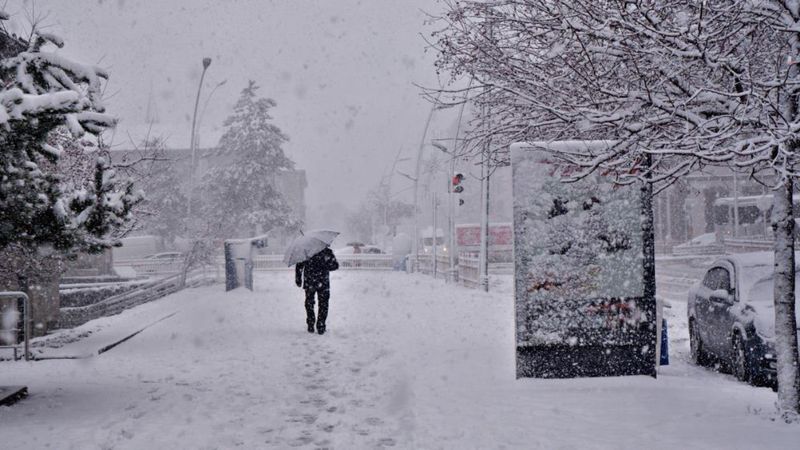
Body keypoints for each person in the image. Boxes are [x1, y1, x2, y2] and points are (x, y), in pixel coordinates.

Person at [295, 247, 339, 334]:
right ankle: (320, 325)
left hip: (310, 282)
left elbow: (299, 266)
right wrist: (326, 264)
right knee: (322, 304)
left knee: (310, 303)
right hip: (323, 282)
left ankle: (312, 323)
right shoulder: (327, 251)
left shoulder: (306, 251)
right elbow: (335, 265)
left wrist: (298, 278)